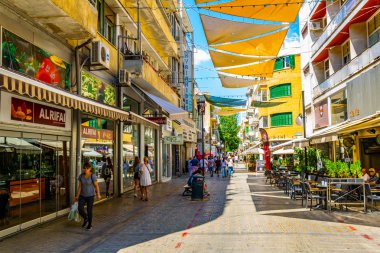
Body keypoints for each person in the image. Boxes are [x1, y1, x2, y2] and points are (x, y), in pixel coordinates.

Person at [75, 162, 101, 231]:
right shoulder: (81, 176)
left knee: (89, 211)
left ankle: (90, 224)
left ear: (90, 169)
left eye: (87, 168)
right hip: (82, 196)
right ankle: (85, 218)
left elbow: (96, 186)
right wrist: (77, 196)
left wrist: (98, 194)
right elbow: (80, 186)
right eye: (84, 168)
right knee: (80, 209)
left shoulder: (92, 176)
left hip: (90, 196)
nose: (85, 169)